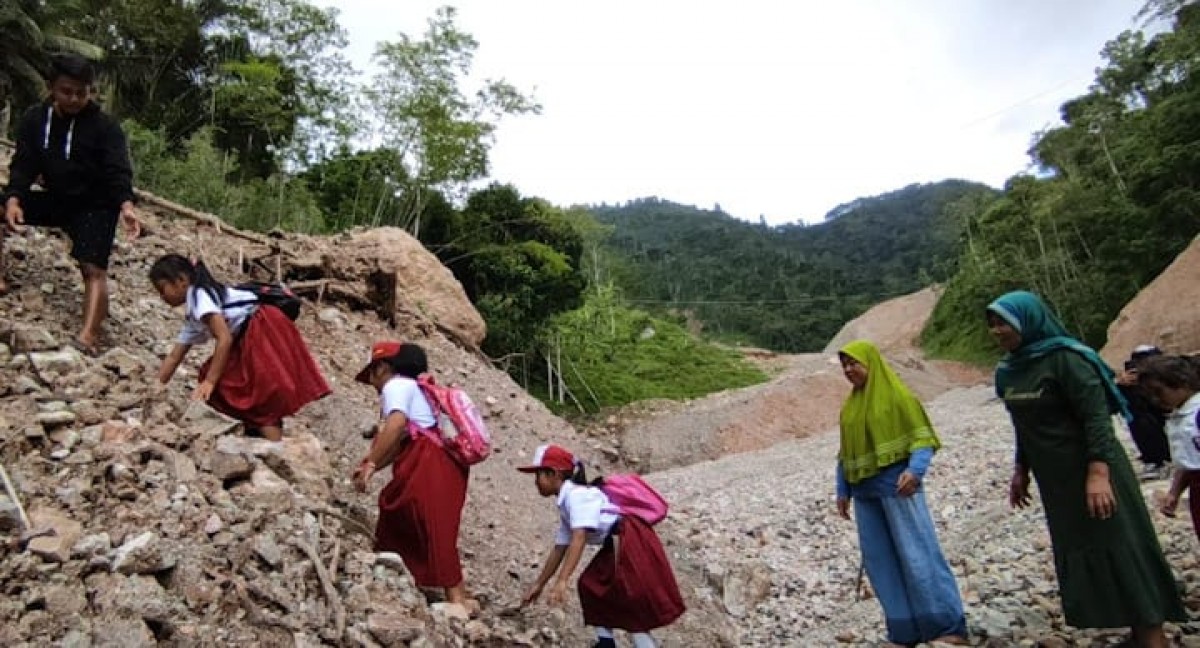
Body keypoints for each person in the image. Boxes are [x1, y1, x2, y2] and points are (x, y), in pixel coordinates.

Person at [986, 291, 1184, 648]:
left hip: (1094, 472)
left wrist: (1098, 473)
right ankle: (1132, 627)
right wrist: (1021, 468)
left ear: (1028, 320)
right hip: (1057, 482)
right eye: (993, 323)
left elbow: (1096, 418)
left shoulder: (1067, 360)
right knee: (1089, 549)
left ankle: (1153, 635)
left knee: (1122, 545)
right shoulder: (1009, 370)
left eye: (1003, 322)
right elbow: (1023, 423)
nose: (996, 330)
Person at [1, 54, 142, 354]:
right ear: (52, 87)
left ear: (91, 90)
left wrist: (126, 206)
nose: (75, 98)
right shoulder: (35, 120)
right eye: (67, 91)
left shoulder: (106, 127)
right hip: (55, 197)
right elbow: (23, 164)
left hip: (95, 204)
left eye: (82, 92)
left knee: (93, 267)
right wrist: (14, 197)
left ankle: (88, 336)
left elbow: (118, 170)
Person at [834, 340, 968, 647]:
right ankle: (904, 631)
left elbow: (921, 437)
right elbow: (844, 453)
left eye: (854, 363)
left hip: (897, 489)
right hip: (865, 493)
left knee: (918, 555)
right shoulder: (851, 408)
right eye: (844, 365)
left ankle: (947, 626)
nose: (849, 370)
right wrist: (842, 488)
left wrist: (916, 470)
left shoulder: (898, 397)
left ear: (871, 363)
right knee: (881, 562)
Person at [518, 444, 684, 648]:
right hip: (618, 542)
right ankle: (606, 643)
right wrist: (539, 584)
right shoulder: (567, 502)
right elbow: (560, 547)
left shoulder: (576, 496)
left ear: (554, 474)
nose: (536, 483)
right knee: (591, 585)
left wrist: (562, 580)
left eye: (538, 476)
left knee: (629, 596)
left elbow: (579, 536)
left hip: (630, 539)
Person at [149, 254, 329, 441]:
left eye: (163, 289)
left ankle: (274, 446)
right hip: (247, 334)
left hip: (262, 328)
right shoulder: (195, 311)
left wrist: (210, 382)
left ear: (181, 281)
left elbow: (224, 338)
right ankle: (256, 431)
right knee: (231, 383)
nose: (162, 297)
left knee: (259, 393)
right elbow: (174, 356)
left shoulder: (200, 297)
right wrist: (156, 388)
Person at [351, 341, 476, 610]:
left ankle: (456, 600)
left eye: (372, 374)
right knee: (406, 512)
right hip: (440, 462)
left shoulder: (396, 386)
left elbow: (395, 426)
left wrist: (371, 464)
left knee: (429, 522)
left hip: (429, 462)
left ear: (382, 368)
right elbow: (402, 439)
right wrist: (370, 464)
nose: (373, 384)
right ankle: (408, 578)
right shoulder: (416, 389)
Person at [1137, 355, 1200, 541]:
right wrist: (1174, 493)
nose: (1156, 400)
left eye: (1159, 392)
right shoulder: (1179, 416)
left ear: (1181, 383)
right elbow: (1188, 462)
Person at [1117, 345, 1171, 480]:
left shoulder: (1171, 371)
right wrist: (1121, 384)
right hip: (1146, 414)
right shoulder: (1131, 382)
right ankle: (1155, 459)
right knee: (1140, 420)